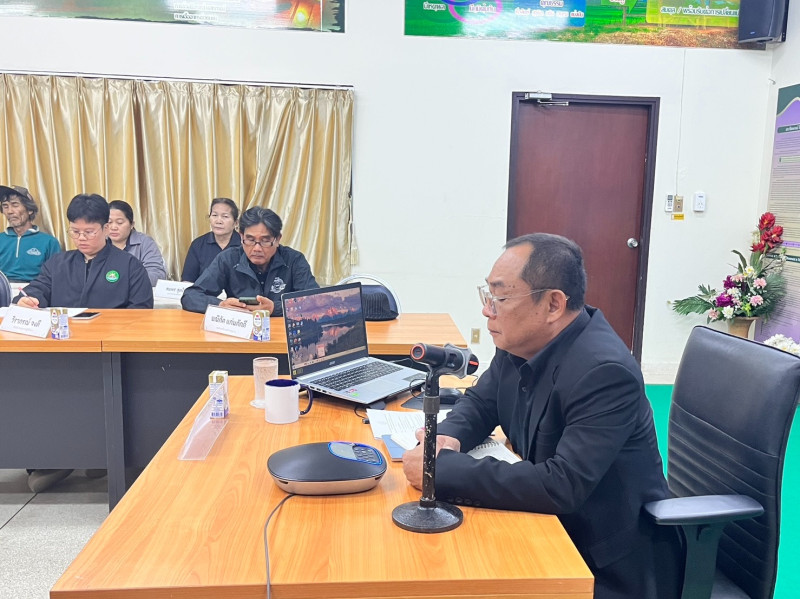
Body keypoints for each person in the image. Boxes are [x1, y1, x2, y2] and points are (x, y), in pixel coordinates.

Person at [402, 233, 679, 599]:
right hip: (545, 530)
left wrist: (438, 469)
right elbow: (482, 403)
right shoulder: (521, 342)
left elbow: (562, 485)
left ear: (553, 304)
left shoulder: (605, 372)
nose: (488, 311)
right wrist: (447, 438)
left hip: (603, 564)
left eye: (501, 298)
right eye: (488, 295)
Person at [15, 194, 154, 310]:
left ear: (106, 229)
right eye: (75, 231)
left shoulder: (130, 265)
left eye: (89, 232)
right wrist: (28, 299)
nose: (81, 238)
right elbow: (39, 288)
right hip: (64, 332)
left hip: (110, 333)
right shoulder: (57, 263)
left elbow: (141, 309)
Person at [181, 206, 318, 317]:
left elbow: (316, 301)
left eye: (265, 241)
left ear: (277, 239)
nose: (257, 248)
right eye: (250, 240)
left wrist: (275, 308)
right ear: (241, 237)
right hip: (240, 331)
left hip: (282, 334)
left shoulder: (294, 260)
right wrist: (220, 305)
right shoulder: (228, 259)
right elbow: (190, 296)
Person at [0, 185, 61, 282]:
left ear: (30, 210)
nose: (9, 211)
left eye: (15, 205)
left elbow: (56, 276)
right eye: (5, 206)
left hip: (35, 288)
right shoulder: (1, 239)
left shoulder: (49, 242)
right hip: (3, 288)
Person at [181, 197, 241, 282]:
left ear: (236, 223)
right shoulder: (198, 244)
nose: (218, 221)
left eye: (225, 216)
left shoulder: (244, 244)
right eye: (214, 215)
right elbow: (188, 280)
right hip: (204, 290)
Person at [108, 200, 167, 286]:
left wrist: (124, 282)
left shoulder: (145, 243)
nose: (113, 227)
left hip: (135, 291)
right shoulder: (99, 242)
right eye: (109, 222)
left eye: (119, 223)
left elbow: (156, 275)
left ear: (132, 224)